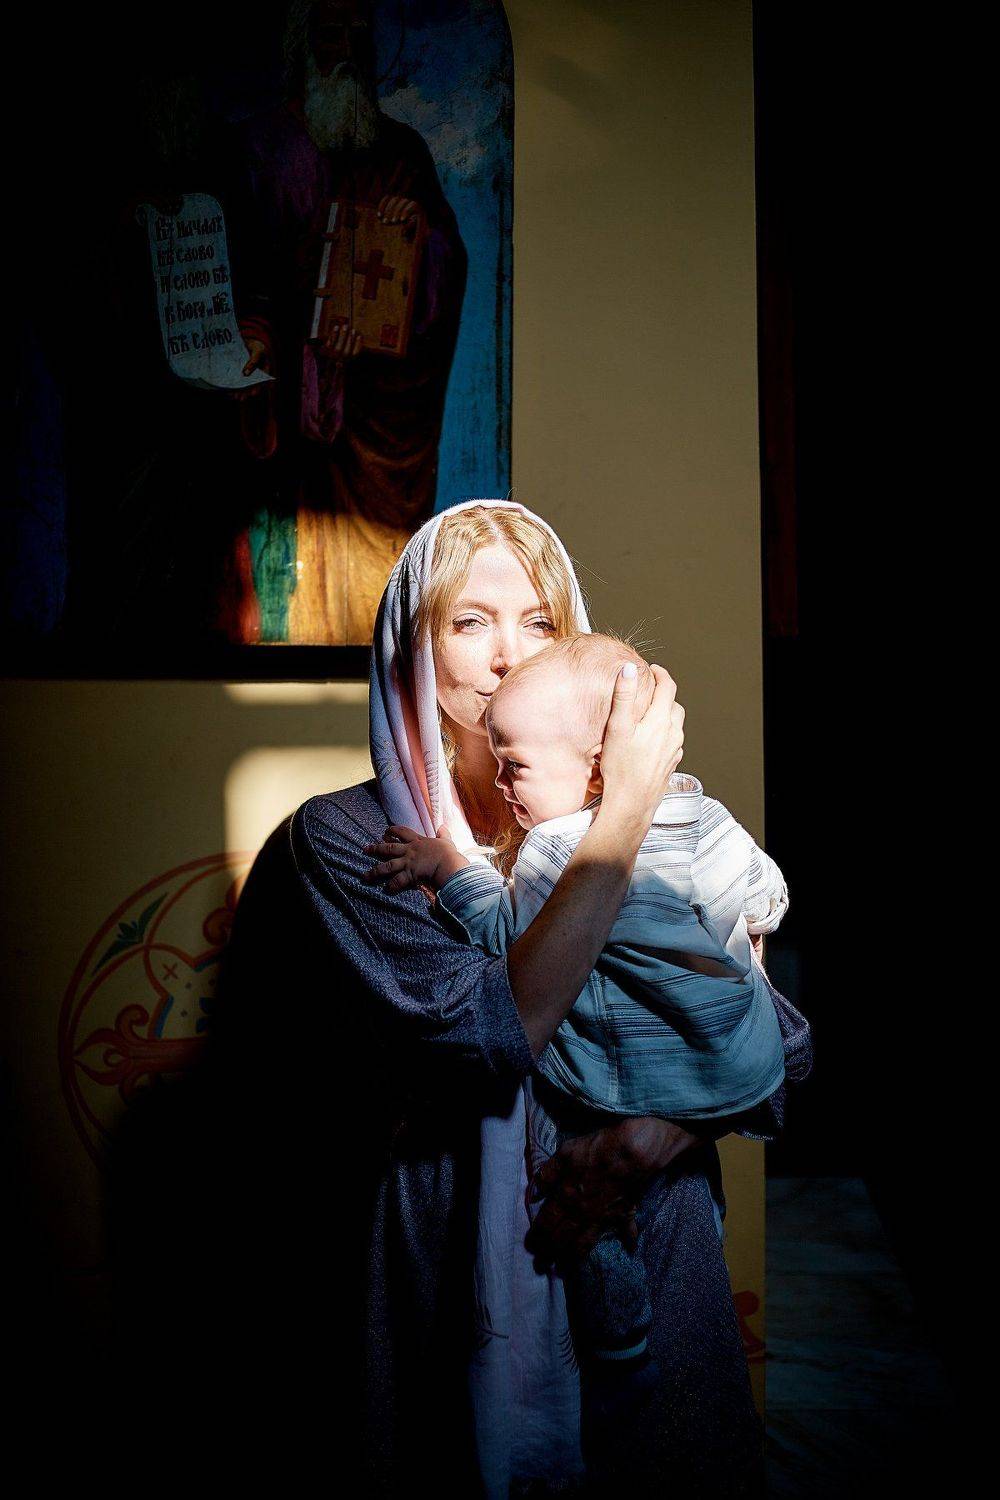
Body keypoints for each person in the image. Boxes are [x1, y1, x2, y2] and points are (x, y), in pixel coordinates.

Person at [216, 499, 804, 1497]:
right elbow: (498, 1033)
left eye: (538, 621)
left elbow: (781, 1042)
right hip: (461, 1254)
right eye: (469, 621)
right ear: (414, 646)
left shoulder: (674, 820)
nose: (507, 655)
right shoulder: (357, 842)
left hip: (648, 1226)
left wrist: (651, 1138)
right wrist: (623, 811)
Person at [361, 630, 792, 1394]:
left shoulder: (555, 850)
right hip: (728, 1068)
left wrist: (449, 865)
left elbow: (503, 932)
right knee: (670, 1213)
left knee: (568, 1182)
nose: (504, 782)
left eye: (518, 766)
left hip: (615, 1088)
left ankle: (618, 1335)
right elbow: (765, 898)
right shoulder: (706, 816)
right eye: (470, 623)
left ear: (597, 767)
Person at [220, 0, 467, 644]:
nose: (348, 52)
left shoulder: (401, 151)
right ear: (300, 47)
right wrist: (259, 336)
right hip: (286, 401)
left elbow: (445, 268)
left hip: (373, 414)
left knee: (373, 595)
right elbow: (236, 264)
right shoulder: (260, 148)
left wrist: (415, 239)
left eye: (360, 37)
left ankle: (375, 661)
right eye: (332, 35)